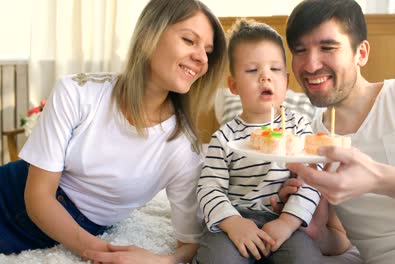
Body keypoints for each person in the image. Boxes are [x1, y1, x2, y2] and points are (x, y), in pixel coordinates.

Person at [0, 0, 227, 263]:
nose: (201, 58)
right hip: (13, 193)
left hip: (68, 229)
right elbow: (38, 196)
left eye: (208, 51)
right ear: (148, 35)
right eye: (189, 40)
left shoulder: (182, 148)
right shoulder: (77, 92)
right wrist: (100, 253)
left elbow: (191, 242)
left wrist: (161, 260)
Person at [276, 0, 395, 263]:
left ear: (361, 53)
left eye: (328, 48)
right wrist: (317, 231)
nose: (310, 65)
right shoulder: (309, 140)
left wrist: (378, 179)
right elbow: (341, 240)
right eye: (299, 51)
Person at [194, 18, 346, 264]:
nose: (265, 77)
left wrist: (287, 223)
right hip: (237, 218)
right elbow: (209, 188)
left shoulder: (298, 128)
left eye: (274, 70)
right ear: (233, 85)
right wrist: (233, 223)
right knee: (218, 259)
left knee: (305, 259)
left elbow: (311, 181)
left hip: (286, 217)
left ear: (285, 81)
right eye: (253, 71)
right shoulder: (224, 138)